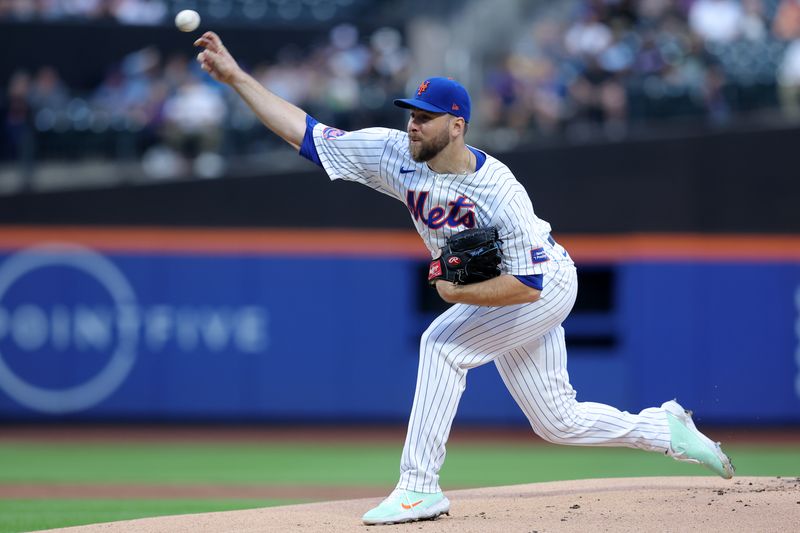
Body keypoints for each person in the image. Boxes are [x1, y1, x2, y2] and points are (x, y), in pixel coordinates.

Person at [194, 31, 734, 526]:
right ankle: (666, 430)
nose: (413, 124)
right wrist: (238, 78)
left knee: (442, 344)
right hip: (511, 290)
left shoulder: (499, 190)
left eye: (426, 117)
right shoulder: (392, 153)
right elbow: (306, 134)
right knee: (557, 421)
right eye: (411, 113)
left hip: (544, 282)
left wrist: (457, 293)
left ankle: (418, 487)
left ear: (456, 126)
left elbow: (529, 286)